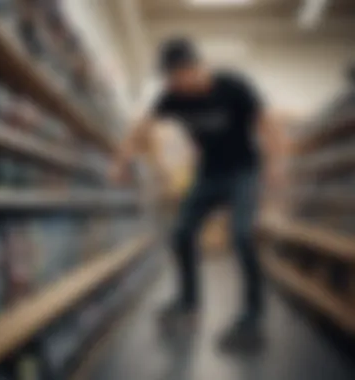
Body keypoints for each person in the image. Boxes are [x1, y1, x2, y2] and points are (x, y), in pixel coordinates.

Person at [110, 38, 264, 351]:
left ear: (193, 68)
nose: (171, 84)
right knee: (181, 233)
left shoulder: (233, 86)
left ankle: (252, 315)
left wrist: (276, 169)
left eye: (175, 76)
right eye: (167, 79)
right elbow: (141, 127)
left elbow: (267, 123)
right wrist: (121, 161)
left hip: (243, 172)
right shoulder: (171, 96)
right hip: (208, 174)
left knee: (242, 235)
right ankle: (189, 302)